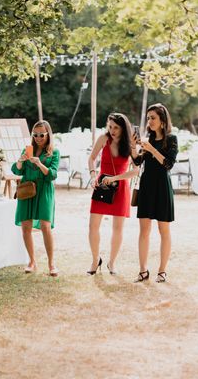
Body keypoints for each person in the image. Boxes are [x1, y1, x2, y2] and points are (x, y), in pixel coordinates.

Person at [87, 113, 139, 275]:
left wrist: (114, 178)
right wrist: (93, 174)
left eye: (116, 127)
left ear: (124, 127)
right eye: (110, 126)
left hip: (121, 186)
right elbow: (92, 158)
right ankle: (96, 260)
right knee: (93, 226)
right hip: (102, 185)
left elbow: (136, 170)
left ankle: (112, 262)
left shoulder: (130, 143)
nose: (112, 130)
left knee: (118, 228)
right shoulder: (104, 138)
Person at [132, 103, 178, 283]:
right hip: (146, 186)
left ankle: (162, 270)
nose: (149, 121)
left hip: (162, 187)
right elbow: (137, 162)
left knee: (163, 229)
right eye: (148, 118)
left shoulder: (171, 139)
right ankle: (143, 271)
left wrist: (152, 149)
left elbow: (168, 164)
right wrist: (133, 146)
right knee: (144, 230)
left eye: (153, 118)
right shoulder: (146, 139)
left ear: (162, 121)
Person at [11, 120, 61, 277]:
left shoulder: (54, 152)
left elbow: (52, 174)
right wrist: (20, 161)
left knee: (45, 226)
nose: (38, 138)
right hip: (27, 189)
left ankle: (51, 263)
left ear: (48, 135)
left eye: (42, 135)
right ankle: (32, 261)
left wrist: (39, 163)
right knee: (26, 226)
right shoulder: (28, 150)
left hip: (44, 190)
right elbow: (17, 171)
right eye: (35, 135)